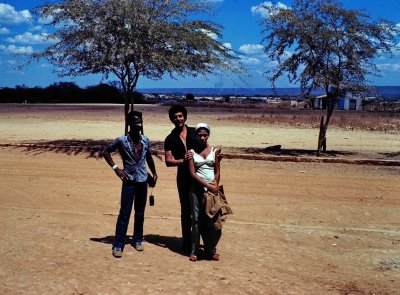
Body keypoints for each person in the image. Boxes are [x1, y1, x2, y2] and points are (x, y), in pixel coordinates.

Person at [103, 111, 158, 258]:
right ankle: (118, 244)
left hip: (143, 180)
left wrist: (154, 173)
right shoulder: (121, 140)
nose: (139, 125)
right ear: (129, 124)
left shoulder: (145, 140)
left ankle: (137, 239)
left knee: (140, 213)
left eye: (140, 121)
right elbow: (106, 152)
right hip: (129, 181)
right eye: (135, 122)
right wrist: (116, 169)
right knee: (124, 213)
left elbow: (148, 157)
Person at [164, 105, 202, 252]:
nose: (178, 119)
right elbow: (168, 161)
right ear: (171, 119)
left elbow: (206, 150)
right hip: (183, 178)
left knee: (202, 209)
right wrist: (183, 161)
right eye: (174, 117)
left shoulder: (195, 132)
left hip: (200, 176)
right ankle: (187, 242)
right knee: (186, 211)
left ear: (185, 116)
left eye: (180, 116)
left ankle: (204, 244)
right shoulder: (170, 138)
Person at [188, 122, 223, 262]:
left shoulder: (215, 151)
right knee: (196, 220)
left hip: (211, 191)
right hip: (196, 191)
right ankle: (194, 249)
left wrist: (215, 185)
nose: (202, 138)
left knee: (212, 220)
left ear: (208, 135)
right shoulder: (191, 152)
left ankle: (210, 249)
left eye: (205, 135)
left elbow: (217, 171)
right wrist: (206, 185)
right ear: (195, 135)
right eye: (200, 135)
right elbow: (192, 173)